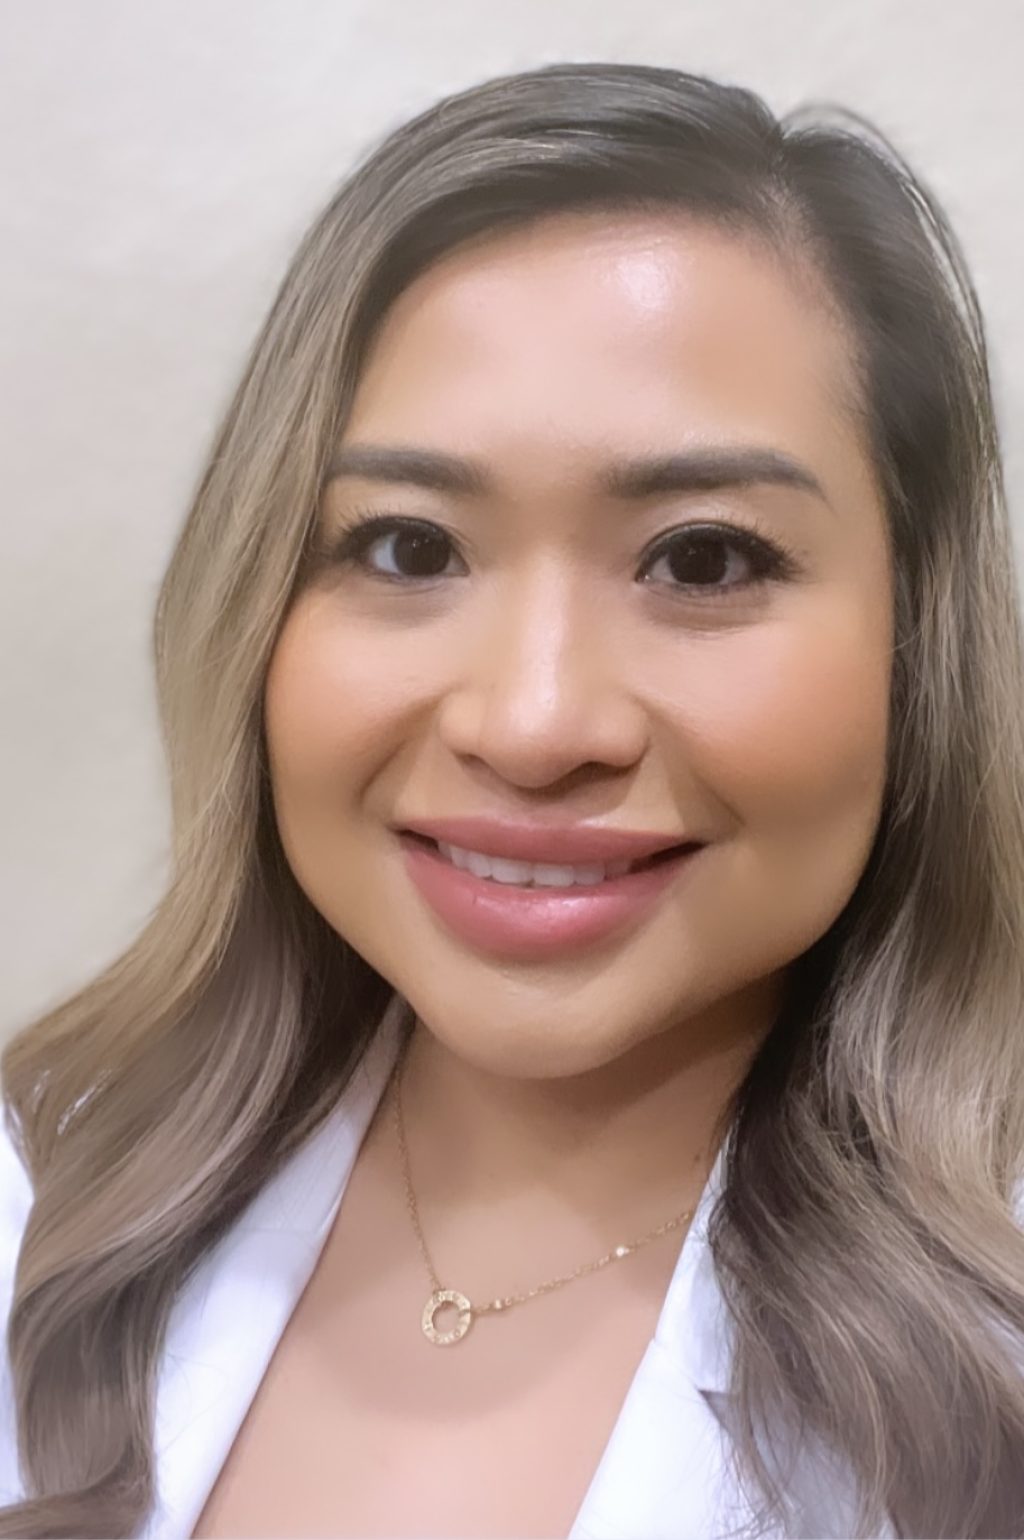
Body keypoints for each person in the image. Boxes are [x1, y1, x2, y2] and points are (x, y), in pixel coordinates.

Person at [2, 59, 1023, 1540]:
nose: (535, 724)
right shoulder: (47, 1192)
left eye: (705, 561)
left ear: (915, 650)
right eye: (409, 549)